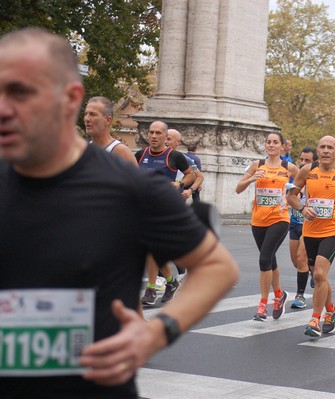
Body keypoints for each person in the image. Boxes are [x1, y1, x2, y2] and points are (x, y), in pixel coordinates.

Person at [0, 27, 238, 398]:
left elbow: (218, 267)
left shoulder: (129, 187)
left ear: (70, 98)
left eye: (20, 92)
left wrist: (158, 332)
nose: (3, 107)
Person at [287, 135, 335, 338]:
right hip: (310, 230)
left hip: (334, 230)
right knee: (319, 275)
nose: (326, 150)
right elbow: (291, 195)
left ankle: (315, 320)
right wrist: (303, 209)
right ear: (318, 151)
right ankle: (331, 310)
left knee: (320, 274)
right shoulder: (307, 170)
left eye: (331, 147)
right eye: (322, 147)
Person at [236, 132, 299, 321]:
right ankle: (279, 295)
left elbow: (302, 187)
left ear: (282, 146)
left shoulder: (290, 167)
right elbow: (238, 189)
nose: (271, 145)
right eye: (268, 142)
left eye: (275, 142)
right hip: (258, 220)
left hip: (279, 219)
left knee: (264, 259)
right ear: (265, 145)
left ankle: (263, 305)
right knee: (270, 260)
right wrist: (251, 179)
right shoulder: (258, 165)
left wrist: (293, 196)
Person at [136, 120, 196, 306]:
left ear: (164, 136)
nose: (153, 136)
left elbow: (192, 175)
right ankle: (171, 283)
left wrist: (180, 184)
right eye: (151, 133)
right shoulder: (140, 154)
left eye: (157, 133)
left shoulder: (174, 156)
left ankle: (152, 289)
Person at [288, 147, 318, 309]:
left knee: (301, 258)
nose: (303, 163)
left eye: (307, 160)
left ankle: (300, 295)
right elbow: (289, 198)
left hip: (309, 225)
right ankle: (313, 271)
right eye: (302, 160)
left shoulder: (316, 180)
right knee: (296, 261)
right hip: (294, 223)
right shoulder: (296, 179)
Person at [84, 96, 137, 165]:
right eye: (86, 114)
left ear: (108, 120)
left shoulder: (120, 152)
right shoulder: (84, 150)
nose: (87, 119)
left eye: (93, 114)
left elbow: (136, 175)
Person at [166, 128, 204, 203]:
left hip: (176, 200)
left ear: (178, 142)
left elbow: (200, 176)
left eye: (168, 139)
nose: (165, 142)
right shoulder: (149, 154)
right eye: (164, 138)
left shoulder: (184, 159)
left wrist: (190, 190)